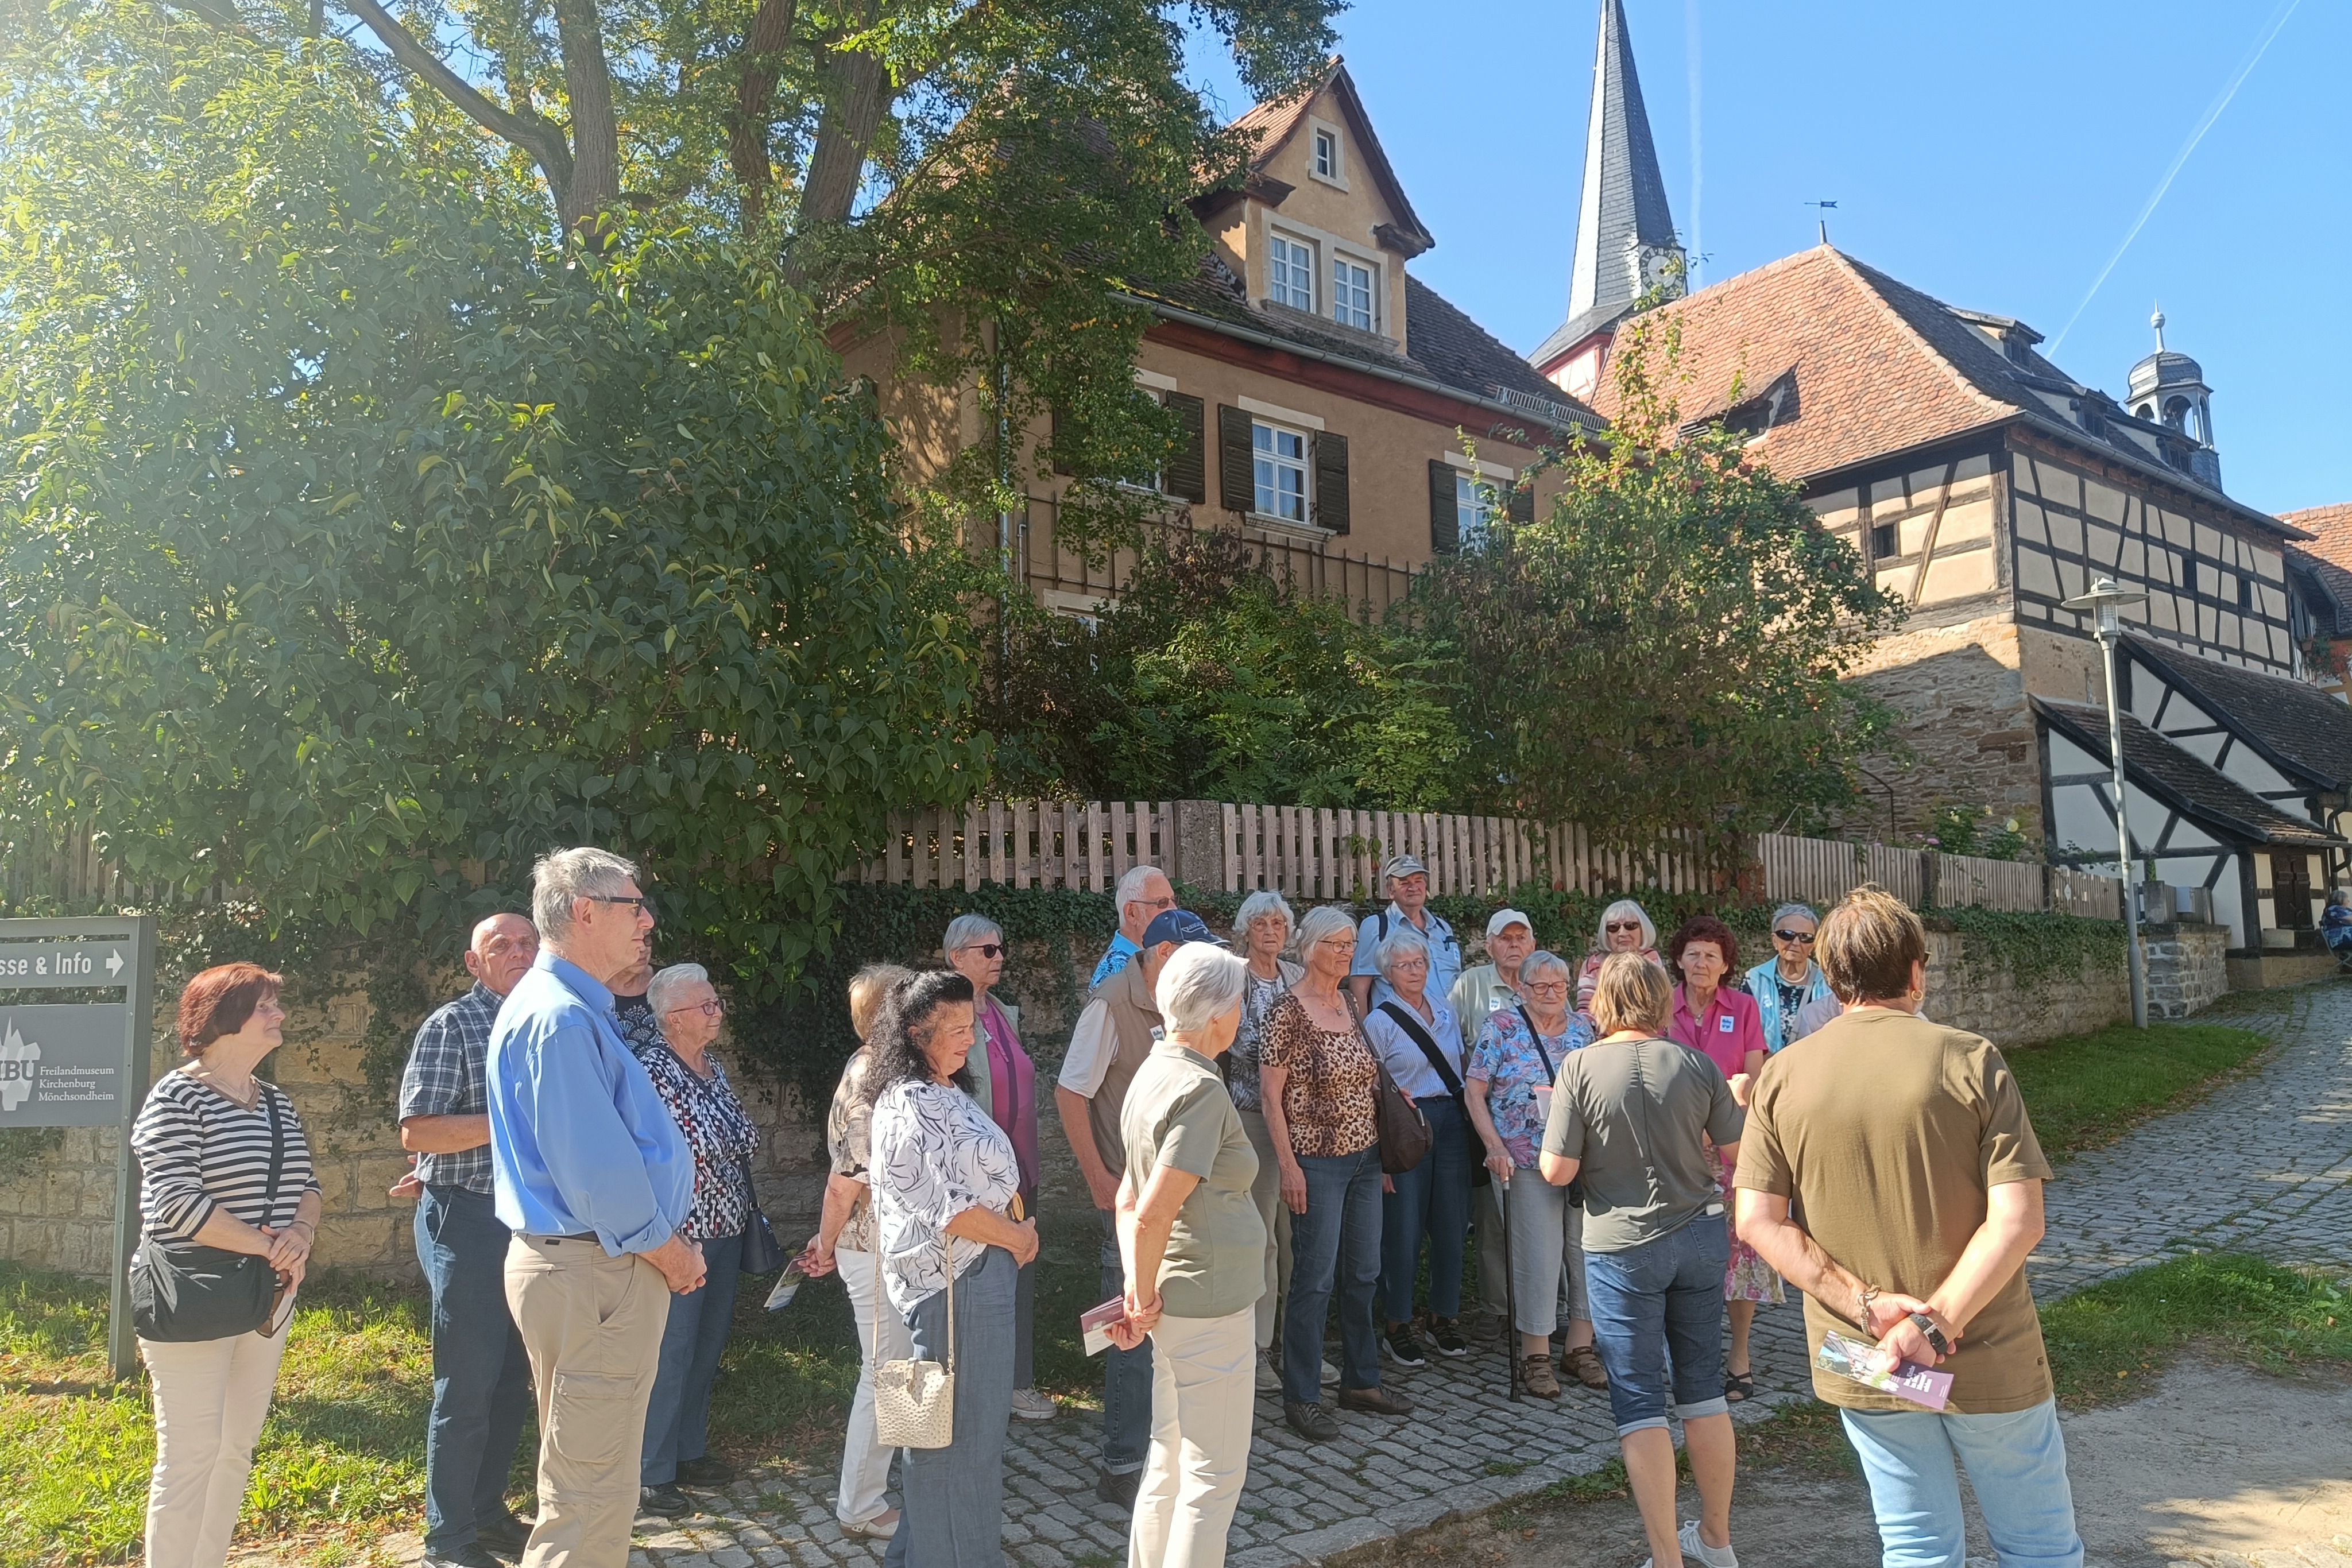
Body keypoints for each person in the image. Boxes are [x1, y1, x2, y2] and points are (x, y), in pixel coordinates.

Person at [1735, 886, 2079, 1568]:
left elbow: (1757, 1222)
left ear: (1831, 979)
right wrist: (1932, 1325)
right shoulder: (1969, 1058)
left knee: (1916, 1546)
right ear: (1917, 970)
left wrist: (1866, 1306)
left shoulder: (1780, 1076)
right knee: (2038, 1547)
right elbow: (2019, 1219)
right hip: (1981, 1349)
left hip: (1862, 1353)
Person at [489, 848, 703, 1568]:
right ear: (584, 911)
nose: (649, 920)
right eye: (633, 906)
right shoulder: (562, 1019)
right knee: (588, 1499)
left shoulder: (573, 1009)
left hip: (591, 1268)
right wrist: (669, 1251)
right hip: (598, 1269)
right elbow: (597, 1171)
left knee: (592, 1483)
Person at [1541, 953, 1745, 1568]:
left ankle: (1666, 1559)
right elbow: (1736, 1149)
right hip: (1700, 1237)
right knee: (1703, 1392)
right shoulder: (1696, 1062)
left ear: (1601, 1000)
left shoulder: (1578, 1065)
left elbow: (1556, 1170)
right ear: (1662, 1000)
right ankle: (1716, 1540)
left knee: (1638, 1402)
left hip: (1622, 1248)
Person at [131, 963, 324, 1568]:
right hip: (192, 1292)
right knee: (190, 1454)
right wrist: (269, 1245)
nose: (280, 1015)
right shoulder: (176, 1096)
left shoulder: (276, 1103)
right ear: (224, 1017)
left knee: (236, 1448)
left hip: (265, 1296)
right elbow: (178, 1204)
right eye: (265, 1005)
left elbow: (307, 1185)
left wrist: (301, 1231)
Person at [870, 970, 1038, 1568]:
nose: (971, 1039)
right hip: (957, 1284)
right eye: (957, 1029)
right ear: (917, 1032)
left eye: (974, 1027)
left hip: (959, 1282)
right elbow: (949, 1208)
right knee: (962, 1445)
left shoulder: (934, 1092)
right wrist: (1017, 1233)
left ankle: (913, 1556)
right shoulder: (910, 1101)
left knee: (935, 1435)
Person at [1057, 908, 1218, 1505]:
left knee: (1161, 1314)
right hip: (1126, 1194)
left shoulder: (1185, 1004)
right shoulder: (1110, 1003)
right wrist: (1097, 1177)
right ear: (1166, 955)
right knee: (1128, 1320)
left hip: (1170, 1190)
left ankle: (1161, 1446)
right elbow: (1070, 1090)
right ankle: (1121, 1463)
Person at [1115, 943, 1266, 1568]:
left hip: (1179, 1299)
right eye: (1239, 1002)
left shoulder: (1154, 1068)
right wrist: (1139, 1290)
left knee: (1170, 1455)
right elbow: (1150, 1207)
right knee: (1213, 1475)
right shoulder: (1199, 1087)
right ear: (1219, 1013)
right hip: (1209, 1298)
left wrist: (1139, 1290)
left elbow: (1128, 1200)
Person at [397, 913, 541, 1568]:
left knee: (513, 1379)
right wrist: (508, 1121)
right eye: (500, 945)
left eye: (527, 942)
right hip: (466, 1219)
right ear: (473, 961)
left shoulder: (546, 1020)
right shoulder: (452, 1026)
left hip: (531, 1223)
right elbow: (419, 1131)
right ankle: (447, 1538)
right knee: (467, 1383)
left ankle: (486, 1513)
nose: (517, 952)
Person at [1260, 904, 1411, 1441]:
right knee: (1314, 1280)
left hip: (1367, 1159)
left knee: (1364, 1272)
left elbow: (1366, 1078)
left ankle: (1360, 1380)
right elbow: (1270, 1096)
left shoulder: (1349, 1001)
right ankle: (1301, 1395)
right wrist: (1288, 1167)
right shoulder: (1287, 1011)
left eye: (1352, 944)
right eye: (1338, 944)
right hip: (1316, 1163)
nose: (1348, 952)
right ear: (1312, 947)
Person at [633, 963, 760, 1516]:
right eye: (706, 1006)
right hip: (680, 1233)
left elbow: (740, 1135)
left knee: (707, 1346)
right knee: (672, 1350)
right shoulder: (651, 1071)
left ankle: (689, 1452)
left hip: (726, 1228)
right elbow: (670, 1150)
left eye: (717, 1002)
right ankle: (651, 1472)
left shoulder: (714, 1066)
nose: (717, 1013)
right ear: (672, 1018)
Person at [802, 963, 915, 1542]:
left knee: (910, 1368)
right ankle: (861, 1505)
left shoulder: (876, 1067)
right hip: (873, 1247)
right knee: (887, 1372)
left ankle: (912, 1483)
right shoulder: (874, 1075)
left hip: (893, 1245)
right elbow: (845, 1180)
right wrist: (824, 1241)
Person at [1464, 950, 1603, 1399]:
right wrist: (1494, 1146)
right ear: (1520, 987)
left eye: (1558, 985)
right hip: (1523, 1160)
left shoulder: (1584, 1029)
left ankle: (1580, 1348)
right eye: (1539, 986)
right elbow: (1474, 1091)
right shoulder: (1501, 1028)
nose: (1550, 993)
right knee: (1537, 1258)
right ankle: (1536, 1354)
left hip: (1581, 1161)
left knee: (1586, 1253)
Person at [943, 914, 1052, 1421]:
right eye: (986, 950)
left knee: (1020, 1275)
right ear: (955, 958)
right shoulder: (948, 1019)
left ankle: (1015, 1382)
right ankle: (975, 1387)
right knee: (978, 1281)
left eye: (999, 948)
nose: (999, 956)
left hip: (1019, 1172)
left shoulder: (1003, 1013)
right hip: (977, 1180)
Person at [1664, 916, 1775, 1404]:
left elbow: (1754, 1075)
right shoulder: (1661, 1005)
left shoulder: (1745, 1006)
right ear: (1679, 960)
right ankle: (1689, 1356)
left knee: (1739, 1253)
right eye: (1693, 954)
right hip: (1675, 1149)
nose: (1701, 963)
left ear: (1726, 963)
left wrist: (1734, 1099)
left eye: (1711, 954)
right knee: (1681, 1254)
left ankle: (1740, 1355)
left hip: (1731, 1149)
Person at [1360, 927, 1471, 1364]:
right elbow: (1371, 1087)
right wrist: (1381, 1156)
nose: (1413, 971)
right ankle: (1398, 1323)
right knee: (1402, 1229)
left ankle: (1443, 1317)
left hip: (1450, 1121)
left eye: (1419, 963)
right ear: (1388, 971)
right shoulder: (1380, 1020)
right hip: (1406, 1124)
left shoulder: (1444, 1008)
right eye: (1403, 965)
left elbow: (1459, 1065)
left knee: (1451, 1226)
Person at [1227, 890, 1304, 1393]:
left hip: (1301, 1121)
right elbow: (1236, 1041)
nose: (1271, 931)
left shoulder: (1298, 977)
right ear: (1246, 931)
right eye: (1261, 923)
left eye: (1278, 922)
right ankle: (1256, 1348)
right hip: (1252, 1116)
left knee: (1299, 1240)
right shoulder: (1233, 976)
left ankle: (1295, 1345)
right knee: (1263, 1238)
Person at [1450, 909, 1538, 1341]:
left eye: (1522, 937)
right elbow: (1452, 1043)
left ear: (1533, 944)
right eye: (1505, 938)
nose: (1514, 944)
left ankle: (1544, 1308)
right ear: (1489, 944)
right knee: (1491, 1221)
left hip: (1540, 1125)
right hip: (1485, 1120)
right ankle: (1496, 1307)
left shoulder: (1545, 979)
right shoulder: (1470, 984)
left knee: (1543, 1220)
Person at [1347, 854, 1461, 1018]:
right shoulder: (1376, 926)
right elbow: (1360, 987)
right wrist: (1364, 1036)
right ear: (1391, 891)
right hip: (1400, 1032)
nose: (1413, 887)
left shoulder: (1443, 929)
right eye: (1404, 882)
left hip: (1449, 1031)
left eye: (1418, 880)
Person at [1744, 904, 1832, 1054]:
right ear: (1774, 940)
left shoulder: (1829, 981)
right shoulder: (1754, 980)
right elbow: (1744, 1034)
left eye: (1805, 937)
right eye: (1787, 934)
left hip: (1815, 1069)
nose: (1796, 943)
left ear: (1813, 945)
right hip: (1768, 1071)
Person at [1092, 864, 1178, 988]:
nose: (1174, 909)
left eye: (1173, 900)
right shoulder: (1116, 973)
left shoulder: (1151, 955)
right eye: (1162, 902)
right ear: (1132, 913)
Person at [1575, 900, 1661, 1017]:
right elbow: (1585, 1011)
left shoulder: (1650, 958)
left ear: (1643, 929)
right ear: (1605, 933)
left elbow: (1661, 1002)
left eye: (1630, 926)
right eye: (1613, 928)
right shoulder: (1592, 965)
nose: (1622, 933)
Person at [2325, 890, 2352, 969]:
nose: (2348, 901)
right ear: (2341, 899)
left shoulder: (2341, 910)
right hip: (2340, 940)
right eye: (2347, 898)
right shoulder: (2334, 909)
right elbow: (2350, 918)